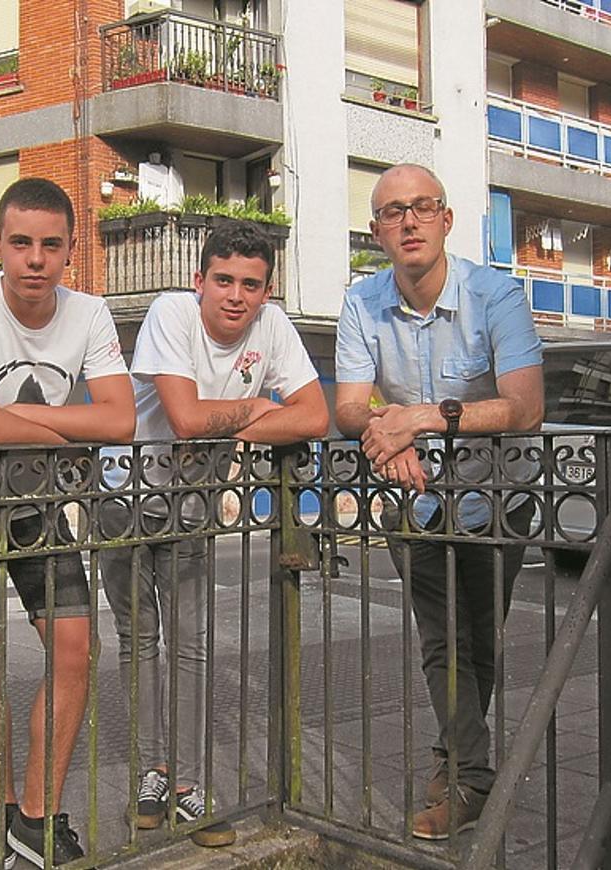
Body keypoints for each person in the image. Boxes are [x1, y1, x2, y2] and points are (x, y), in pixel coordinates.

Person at [0, 177, 134, 869]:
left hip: (38, 510)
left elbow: (122, 420)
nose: (35, 259)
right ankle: (0, 812)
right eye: (21, 243)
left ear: (71, 250)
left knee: (75, 649)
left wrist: (19, 425)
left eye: (50, 245)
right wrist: (71, 432)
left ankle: (37, 819)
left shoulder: (91, 313)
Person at [98, 221, 329, 846]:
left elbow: (316, 415)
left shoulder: (273, 327)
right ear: (199, 280)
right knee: (138, 640)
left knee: (193, 644)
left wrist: (247, 419)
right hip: (122, 495)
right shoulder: (170, 312)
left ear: (266, 289)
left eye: (250, 285)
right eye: (223, 280)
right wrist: (257, 410)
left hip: (190, 504)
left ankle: (192, 786)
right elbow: (185, 417)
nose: (236, 296)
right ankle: (151, 772)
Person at [333, 163, 543, 839]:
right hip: (418, 505)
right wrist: (382, 430)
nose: (409, 220)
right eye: (393, 212)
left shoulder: (496, 296)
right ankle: (473, 780)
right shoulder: (361, 302)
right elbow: (346, 402)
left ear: (447, 219)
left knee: (480, 640)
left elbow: (526, 407)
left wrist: (421, 417)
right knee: (441, 640)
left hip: (499, 498)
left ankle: (454, 754)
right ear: (377, 232)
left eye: (423, 207)